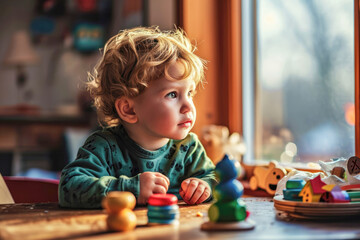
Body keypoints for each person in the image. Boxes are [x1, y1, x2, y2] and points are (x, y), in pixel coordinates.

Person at [58, 26, 217, 208]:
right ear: (129, 110)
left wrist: (204, 186)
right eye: (172, 94)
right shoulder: (105, 147)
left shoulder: (189, 148)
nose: (188, 106)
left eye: (189, 93)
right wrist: (130, 188)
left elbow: (215, 179)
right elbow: (69, 187)